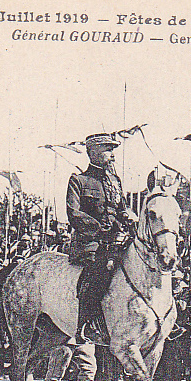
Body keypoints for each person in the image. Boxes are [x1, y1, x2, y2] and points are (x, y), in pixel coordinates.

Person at [67, 132, 136, 344]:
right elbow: (73, 212)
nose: (112, 155)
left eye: (113, 150)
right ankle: (86, 324)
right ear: (93, 152)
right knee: (100, 269)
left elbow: (121, 208)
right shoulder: (79, 180)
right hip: (91, 241)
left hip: (116, 239)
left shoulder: (115, 181)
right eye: (108, 150)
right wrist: (99, 229)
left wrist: (129, 216)